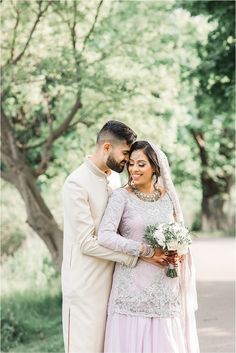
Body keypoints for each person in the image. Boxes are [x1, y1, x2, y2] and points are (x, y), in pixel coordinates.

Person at [61, 122, 164, 353]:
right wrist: (137, 255)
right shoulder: (76, 183)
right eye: (125, 154)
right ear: (107, 147)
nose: (128, 162)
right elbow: (87, 242)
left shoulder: (114, 180)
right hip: (85, 288)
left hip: (115, 286)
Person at [98, 140, 199, 353]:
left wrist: (178, 253)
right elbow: (105, 236)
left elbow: (179, 233)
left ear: (155, 167)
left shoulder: (168, 197)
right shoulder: (121, 197)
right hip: (131, 290)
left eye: (141, 164)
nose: (134, 169)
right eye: (131, 163)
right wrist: (145, 251)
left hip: (165, 289)